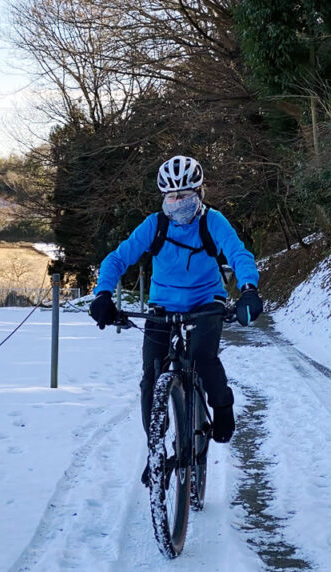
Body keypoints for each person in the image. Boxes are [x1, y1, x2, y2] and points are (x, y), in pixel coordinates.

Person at [88, 155, 263, 456]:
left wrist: (248, 289)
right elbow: (117, 258)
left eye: (184, 195)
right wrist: (103, 293)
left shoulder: (213, 221)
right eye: (171, 196)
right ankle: (155, 450)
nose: (177, 201)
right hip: (163, 306)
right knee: (150, 378)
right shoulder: (154, 225)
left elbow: (239, 254)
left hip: (206, 302)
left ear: (199, 194)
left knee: (203, 358)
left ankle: (222, 405)